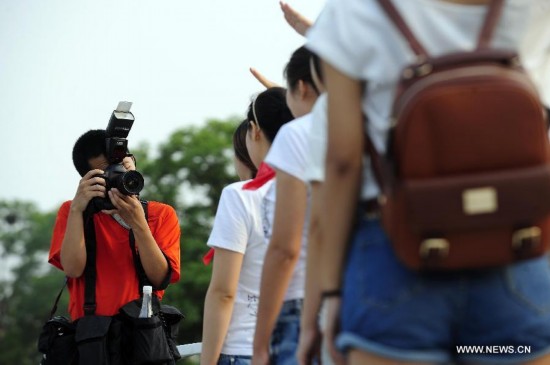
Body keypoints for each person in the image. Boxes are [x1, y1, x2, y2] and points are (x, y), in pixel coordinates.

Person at [306, 0, 550, 364]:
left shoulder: (351, 11)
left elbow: (343, 162)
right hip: (516, 248)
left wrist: (331, 291)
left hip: (395, 258)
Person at [201, 91, 294, 365]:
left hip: (245, 348)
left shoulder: (241, 195)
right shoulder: (317, 189)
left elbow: (223, 292)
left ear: (254, 131)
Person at [49, 129, 181, 321]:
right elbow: (73, 269)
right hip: (91, 335)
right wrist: (78, 209)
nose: (115, 179)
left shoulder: (159, 214)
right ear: (88, 180)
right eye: (105, 175)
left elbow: (160, 278)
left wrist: (137, 221)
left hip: (142, 334)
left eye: (117, 169)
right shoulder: (74, 211)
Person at [252, 46, 320, 365]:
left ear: (302, 87)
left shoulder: (297, 136)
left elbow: (285, 249)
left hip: (298, 304)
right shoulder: (371, 127)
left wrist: (261, 340)